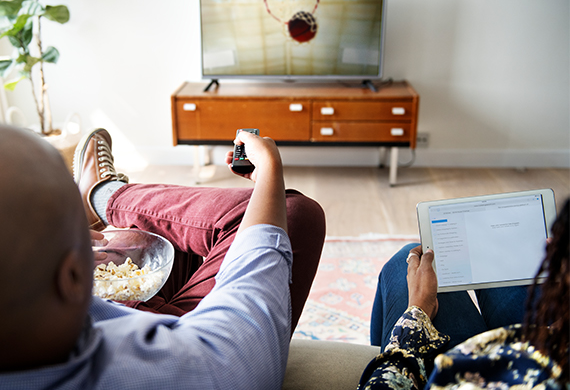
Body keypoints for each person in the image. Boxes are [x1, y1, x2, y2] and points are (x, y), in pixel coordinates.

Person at [0, 125, 325, 389]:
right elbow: (253, 299)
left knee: (169, 243)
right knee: (294, 211)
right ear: (71, 279)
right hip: (175, 338)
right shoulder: (196, 373)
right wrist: (269, 168)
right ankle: (104, 194)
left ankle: (103, 195)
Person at [357, 199, 569, 389]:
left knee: (407, 258)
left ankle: (382, 354)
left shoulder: (466, 377)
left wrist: (417, 311)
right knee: (497, 259)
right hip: (552, 338)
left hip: (511, 357)